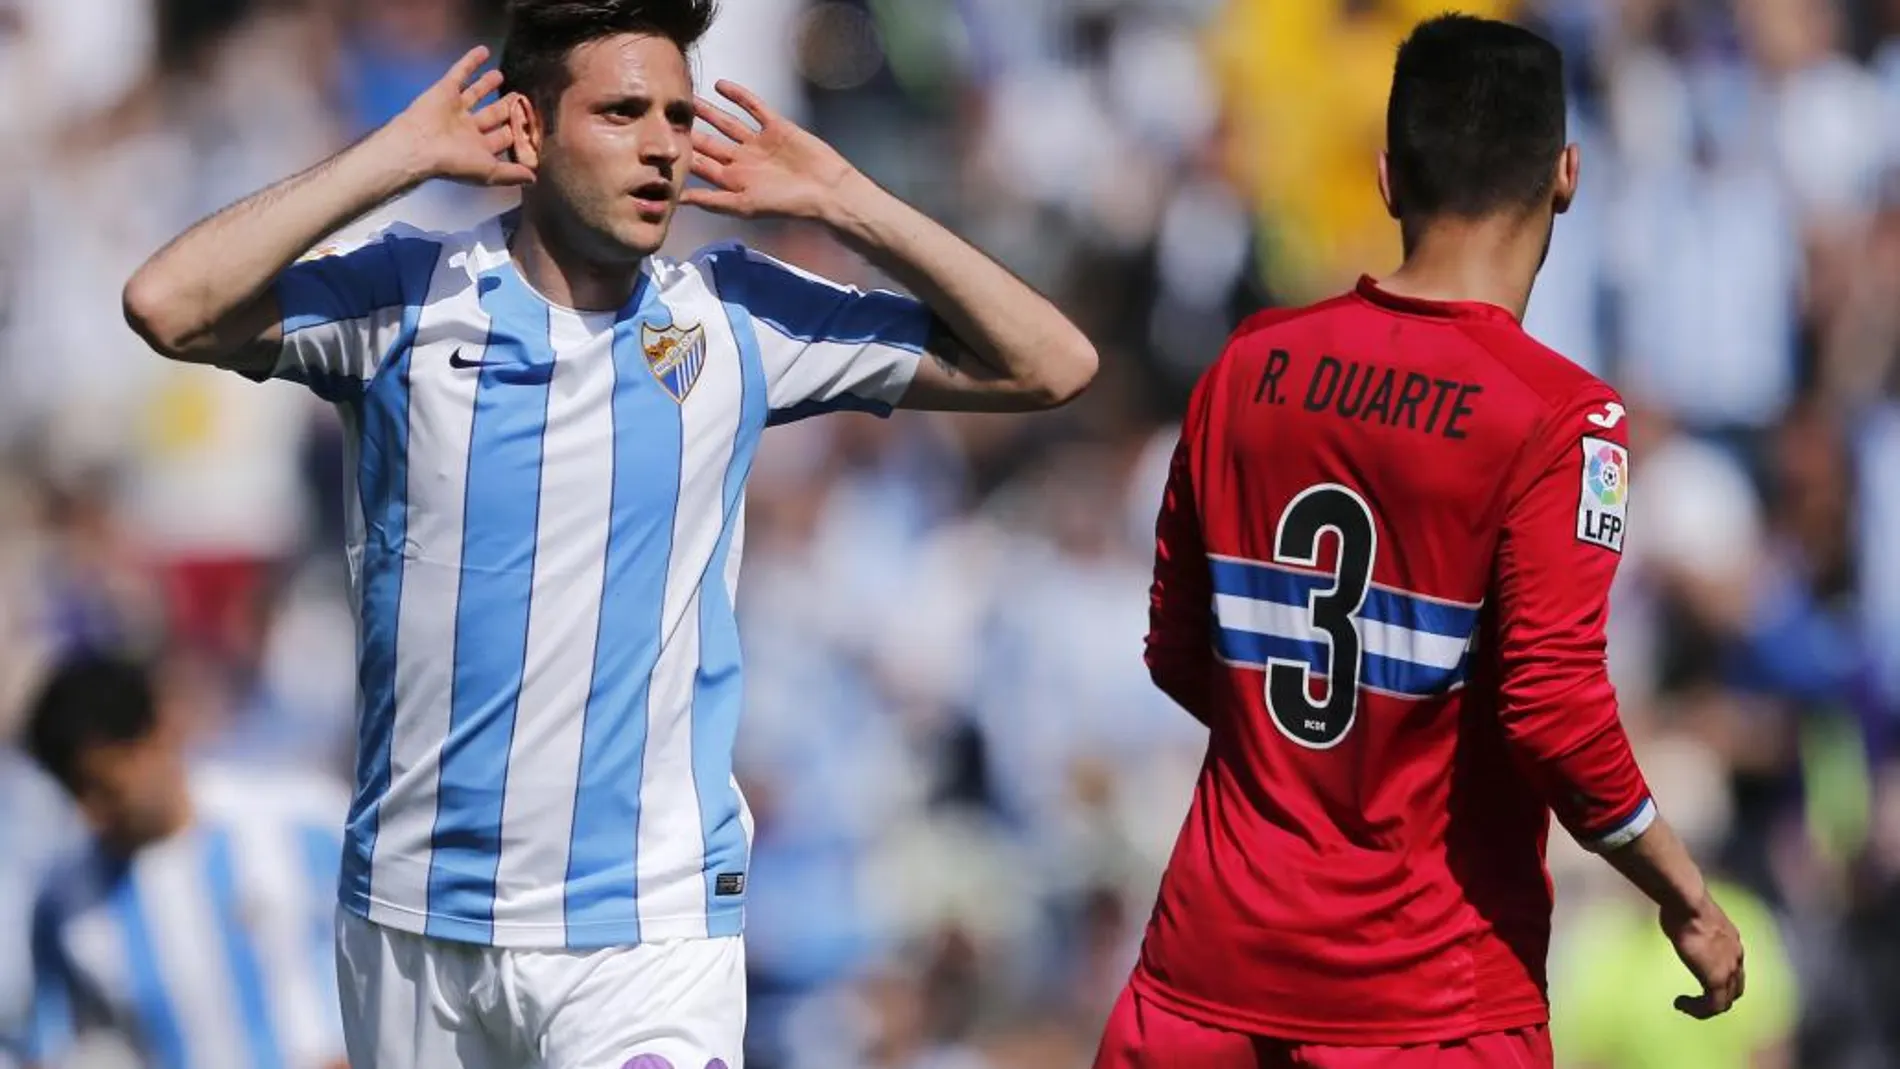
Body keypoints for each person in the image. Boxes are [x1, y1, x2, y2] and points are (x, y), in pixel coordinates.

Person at [119, 1, 1099, 1066]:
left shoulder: (736, 318)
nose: (663, 144)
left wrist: (847, 199)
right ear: (528, 133)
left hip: (645, 927)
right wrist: (396, 155)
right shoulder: (408, 299)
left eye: (678, 115)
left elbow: (1049, 364)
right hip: (413, 916)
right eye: (624, 111)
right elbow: (170, 304)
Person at [1096, 14, 1745, 1069]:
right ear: (1566, 176)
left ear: (1387, 176)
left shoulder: (1246, 366)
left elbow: (1179, 650)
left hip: (1201, 978)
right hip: (1424, 1001)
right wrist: (1683, 893)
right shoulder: (1560, 420)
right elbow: (1552, 707)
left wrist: (1313, 766)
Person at [15, 651, 348, 1069]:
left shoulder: (307, 823)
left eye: (105, 787)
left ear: (158, 734)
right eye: (75, 793)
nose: (91, 812)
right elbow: (53, 1046)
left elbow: (401, 967)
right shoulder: (64, 905)